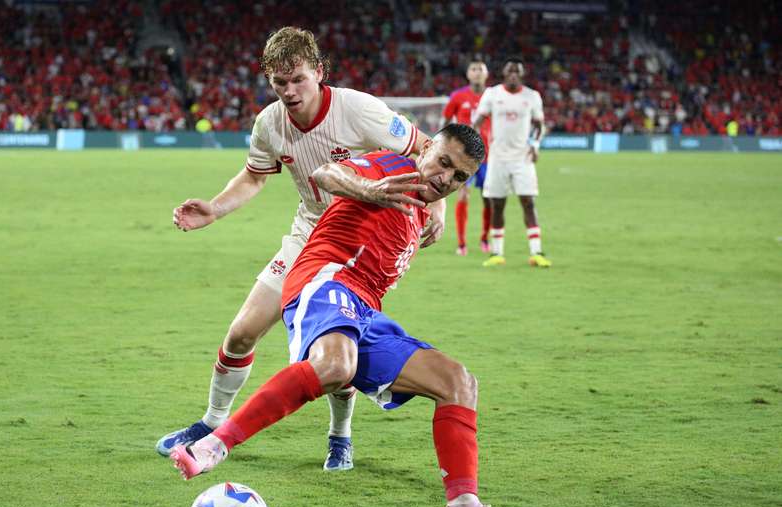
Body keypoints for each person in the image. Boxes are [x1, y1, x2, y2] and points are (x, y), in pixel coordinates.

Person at [171, 124, 536, 507]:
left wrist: (431, 210)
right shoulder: (390, 167)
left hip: (365, 311)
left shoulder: (419, 210)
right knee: (334, 365)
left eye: (458, 177)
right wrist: (372, 190)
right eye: (443, 163)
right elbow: (327, 174)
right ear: (428, 146)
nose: (445, 179)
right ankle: (214, 444)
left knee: (459, 382)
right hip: (325, 280)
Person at [156, 27, 443, 472]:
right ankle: (212, 423)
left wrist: (437, 208)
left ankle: (340, 436)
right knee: (241, 333)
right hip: (306, 235)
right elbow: (254, 176)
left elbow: (427, 149)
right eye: (278, 83)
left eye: (298, 80)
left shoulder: (359, 110)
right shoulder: (270, 123)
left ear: (320, 73)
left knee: (333, 347)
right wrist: (214, 209)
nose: (289, 91)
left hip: (355, 246)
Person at [471, 58, 551, 268]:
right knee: (497, 204)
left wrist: (535, 145)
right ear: (504, 74)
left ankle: (537, 252)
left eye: (517, 71)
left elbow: (539, 125)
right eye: (510, 71)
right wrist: (472, 146)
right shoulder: (493, 94)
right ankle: (497, 253)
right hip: (497, 159)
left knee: (528, 202)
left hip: (522, 159)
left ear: (522, 75)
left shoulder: (532, 96)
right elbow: (477, 122)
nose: (514, 74)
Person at [442, 59, 492, 256]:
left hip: (489, 157)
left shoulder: (494, 96)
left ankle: (485, 239)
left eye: (481, 69)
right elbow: (446, 121)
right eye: (473, 69)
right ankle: (462, 243)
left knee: (489, 199)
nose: (477, 72)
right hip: (464, 158)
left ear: (486, 73)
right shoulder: (458, 96)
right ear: (468, 74)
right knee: (463, 195)